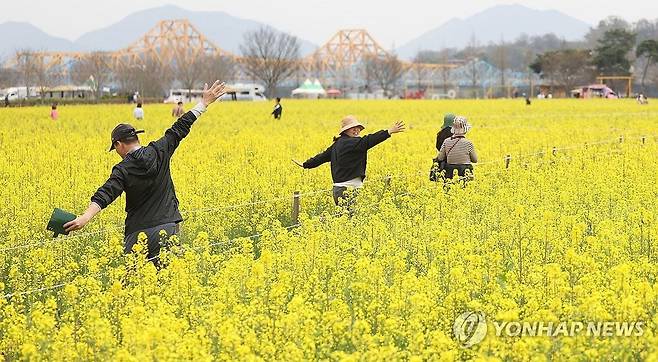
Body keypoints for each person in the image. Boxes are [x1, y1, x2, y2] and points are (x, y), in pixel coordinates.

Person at [64, 80, 227, 265]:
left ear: (118, 144)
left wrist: (85, 217)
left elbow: (106, 193)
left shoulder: (122, 169)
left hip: (138, 233)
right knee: (170, 281)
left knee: (136, 285)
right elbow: (180, 128)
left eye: (115, 148)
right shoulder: (160, 150)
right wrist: (204, 103)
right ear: (136, 138)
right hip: (168, 226)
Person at [293, 115, 405, 205]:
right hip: (348, 189)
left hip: (339, 189)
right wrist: (389, 131)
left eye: (358, 128)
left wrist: (306, 164)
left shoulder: (337, 144)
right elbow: (370, 140)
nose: (356, 130)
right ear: (345, 130)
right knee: (350, 220)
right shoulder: (353, 143)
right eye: (353, 128)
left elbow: (321, 157)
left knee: (345, 220)